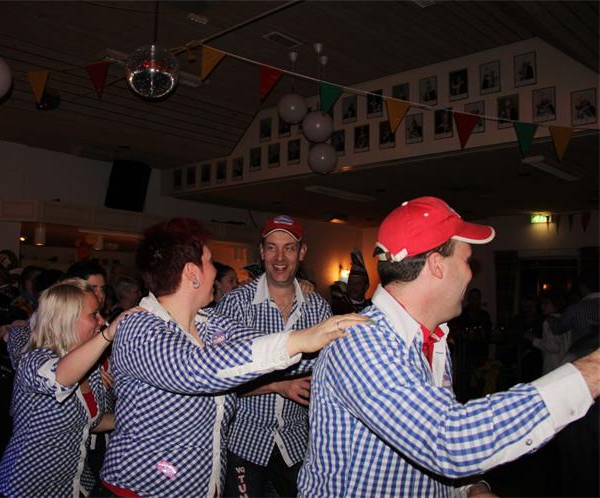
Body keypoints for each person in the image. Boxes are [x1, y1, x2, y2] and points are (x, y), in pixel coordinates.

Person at [298, 196, 600, 497]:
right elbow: (446, 440)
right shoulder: (361, 344)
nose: (471, 273)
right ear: (436, 265)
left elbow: (428, 440)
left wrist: (471, 487)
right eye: (466, 260)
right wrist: (590, 371)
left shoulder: (433, 339)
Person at [100, 218, 366, 497]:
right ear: (192, 273)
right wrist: (301, 339)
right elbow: (197, 370)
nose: (215, 271)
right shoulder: (139, 327)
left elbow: (263, 348)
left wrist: (343, 344)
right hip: (135, 490)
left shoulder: (208, 323)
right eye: (210, 262)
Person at [215, 214, 332, 498]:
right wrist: (278, 386)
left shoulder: (318, 309)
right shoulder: (236, 304)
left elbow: (330, 378)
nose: (279, 257)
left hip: (296, 441)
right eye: (272, 247)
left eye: (289, 248)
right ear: (262, 251)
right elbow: (218, 381)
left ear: (302, 252)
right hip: (244, 440)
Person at [0, 278, 118, 497]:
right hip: (28, 487)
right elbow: (59, 379)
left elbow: (91, 422)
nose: (102, 321)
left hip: (74, 485)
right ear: (66, 320)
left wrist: (141, 419)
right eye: (94, 315)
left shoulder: (91, 369)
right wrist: (107, 335)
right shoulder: (35, 360)